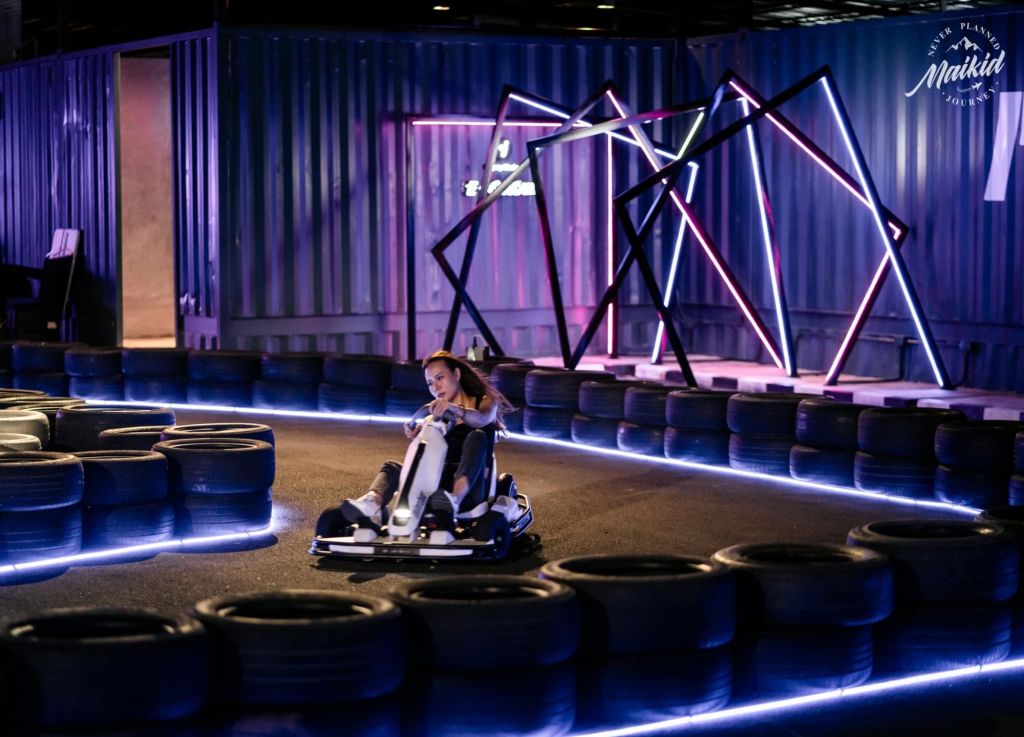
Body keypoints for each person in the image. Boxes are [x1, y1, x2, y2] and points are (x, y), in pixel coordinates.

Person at [316, 350, 513, 536]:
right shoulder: (434, 417)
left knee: (476, 436)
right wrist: (419, 435)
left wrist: (456, 409)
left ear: (457, 374)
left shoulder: (484, 402)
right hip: (434, 490)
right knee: (392, 467)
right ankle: (370, 503)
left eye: (440, 378)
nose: (435, 387)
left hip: (472, 489)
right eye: (430, 383)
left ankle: (453, 500)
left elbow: (481, 419)